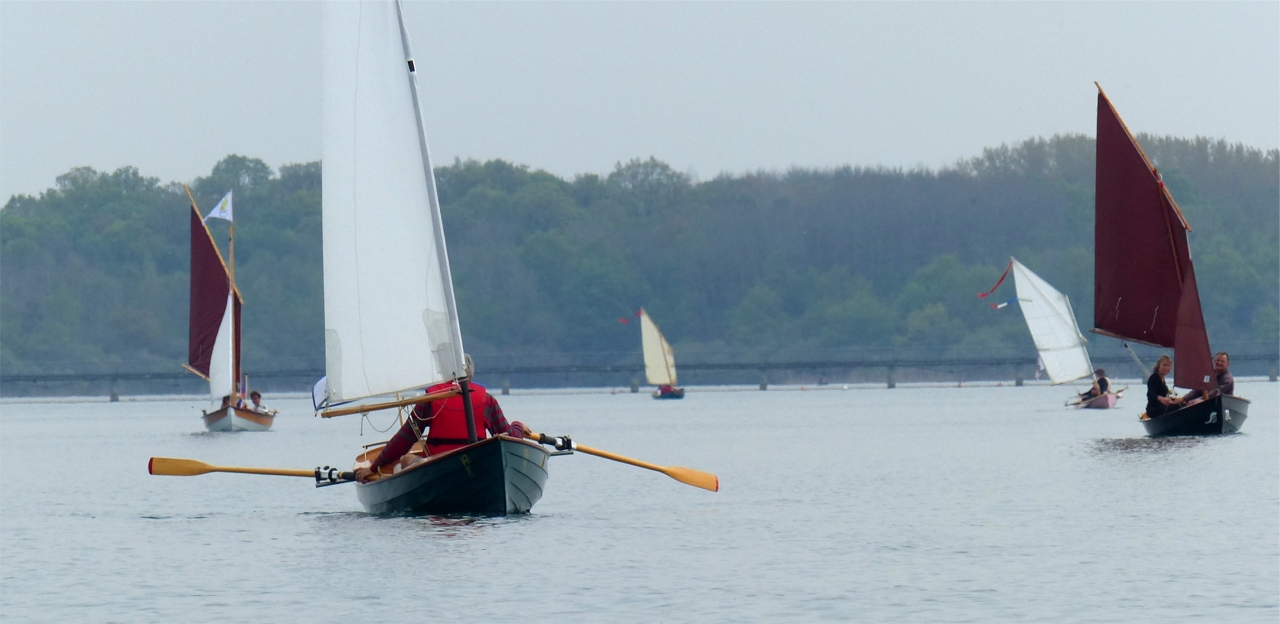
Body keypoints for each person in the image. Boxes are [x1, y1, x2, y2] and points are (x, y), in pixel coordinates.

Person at [355, 358, 525, 483]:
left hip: (437, 469)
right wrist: (518, 426)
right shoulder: (487, 400)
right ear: (470, 375)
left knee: (405, 458)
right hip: (477, 467)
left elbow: (403, 441)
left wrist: (373, 467)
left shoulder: (431, 400)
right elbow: (511, 438)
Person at [1144, 355, 1183, 419]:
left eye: (1168, 366)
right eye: (1164, 365)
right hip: (1153, 409)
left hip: (1161, 407)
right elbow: (1150, 394)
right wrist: (1161, 398)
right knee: (1180, 407)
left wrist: (1173, 400)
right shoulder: (1154, 377)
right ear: (1159, 365)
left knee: (1182, 404)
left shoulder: (1162, 379)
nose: (1166, 368)